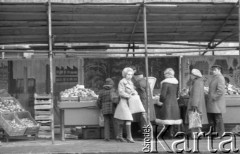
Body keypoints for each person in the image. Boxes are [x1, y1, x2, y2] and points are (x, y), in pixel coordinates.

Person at [114, 67, 145, 143]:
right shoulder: (122, 82)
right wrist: (129, 95)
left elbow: (134, 90)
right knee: (127, 119)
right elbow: (121, 92)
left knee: (124, 119)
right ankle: (128, 137)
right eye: (128, 74)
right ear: (125, 74)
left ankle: (121, 136)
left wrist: (135, 93)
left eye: (131, 74)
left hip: (129, 103)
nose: (130, 76)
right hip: (124, 103)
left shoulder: (130, 82)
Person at [155, 68, 182, 138]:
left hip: (167, 102)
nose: (164, 75)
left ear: (167, 74)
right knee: (173, 118)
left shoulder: (165, 83)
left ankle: (169, 134)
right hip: (174, 101)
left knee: (167, 118)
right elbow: (176, 93)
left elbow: (163, 95)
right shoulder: (176, 82)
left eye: (165, 74)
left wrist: (161, 100)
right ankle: (172, 133)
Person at [186, 69, 208, 138]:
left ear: (195, 75)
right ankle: (197, 134)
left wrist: (194, 105)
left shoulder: (197, 82)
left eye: (191, 75)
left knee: (194, 120)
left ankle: (197, 135)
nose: (190, 76)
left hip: (195, 104)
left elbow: (196, 94)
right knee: (195, 120)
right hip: (198, 104)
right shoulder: (199, 81)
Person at [207, 65, 226, 138]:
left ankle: (220, 134)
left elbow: (220, 91)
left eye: (214, 70)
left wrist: (213, 97)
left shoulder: (220, 78)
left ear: (219, 70)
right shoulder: (215, 77)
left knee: (218, 118)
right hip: (213, 102)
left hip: (216, 102)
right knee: (214, 118)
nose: (213, 71)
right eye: (212, 70)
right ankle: (216, 133)